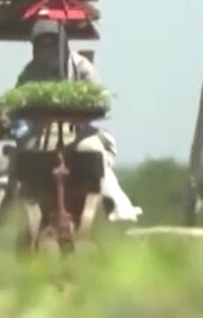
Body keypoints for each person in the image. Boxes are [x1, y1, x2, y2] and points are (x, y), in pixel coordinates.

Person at [11, 19, 142, 222]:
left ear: (63, 43)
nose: (48, 50)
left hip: (79, 131)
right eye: (42, 45)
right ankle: (17, 213)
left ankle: (117, 207)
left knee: (95, 154)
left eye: (52, 43)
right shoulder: (29, 73)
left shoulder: (82, 67)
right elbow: (17, 111)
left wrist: (77, 106)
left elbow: (99, 98)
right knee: (22, 162)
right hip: (41, 134)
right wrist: (23, 132)